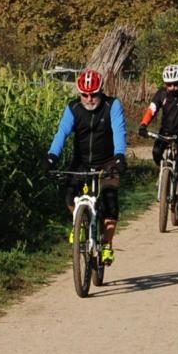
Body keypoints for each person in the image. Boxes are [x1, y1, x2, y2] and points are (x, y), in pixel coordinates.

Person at [44, 69, 128, 265]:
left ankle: (106, 244)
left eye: (94, 94)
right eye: (85, 95)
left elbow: (119, 132)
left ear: (101, 91)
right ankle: (81, 223)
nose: (89, 99)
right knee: (69, 195)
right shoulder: (73, 108)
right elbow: (62, 133)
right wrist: (51, 157)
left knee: (109, 201)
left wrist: (119, 157)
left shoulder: (112, 106)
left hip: (107, 161)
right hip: (81, 162)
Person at [138, 62, 178, 216]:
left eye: (175, 84)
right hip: (165, 131)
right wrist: (143, 125)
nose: (172, 88)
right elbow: (152, 109)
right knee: (155, 152)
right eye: (169, 85)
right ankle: (164, 176)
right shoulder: (161, 94)